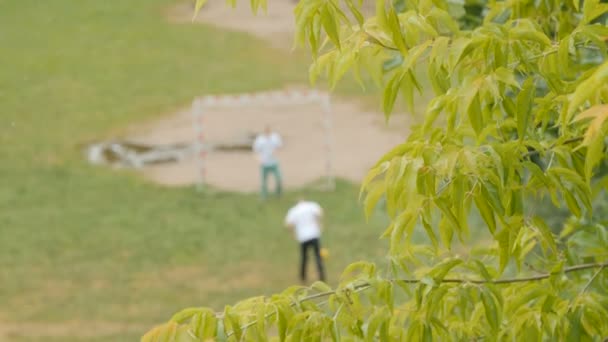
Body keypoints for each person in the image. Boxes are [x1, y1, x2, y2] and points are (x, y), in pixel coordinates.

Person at [285, 199, 326, 283]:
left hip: (303, 237)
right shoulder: (311, 205)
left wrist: (293, 234)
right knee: (318, 257)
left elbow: (288, 223)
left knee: (304, 258)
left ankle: (303, 277)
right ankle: (322, 276)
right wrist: (319, 224)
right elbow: (320, 213)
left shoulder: (294, 210)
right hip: (314, 234)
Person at [253, 126, 283, 199]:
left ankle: (278, 194)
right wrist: (259, 160)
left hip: (274, 162)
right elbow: (255, 151)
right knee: (264, 182)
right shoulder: (260, 140)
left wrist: (276, 150)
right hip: (264, 164)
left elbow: (280, 145)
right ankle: (264, 196)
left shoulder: (275, 138)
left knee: (279, 178)